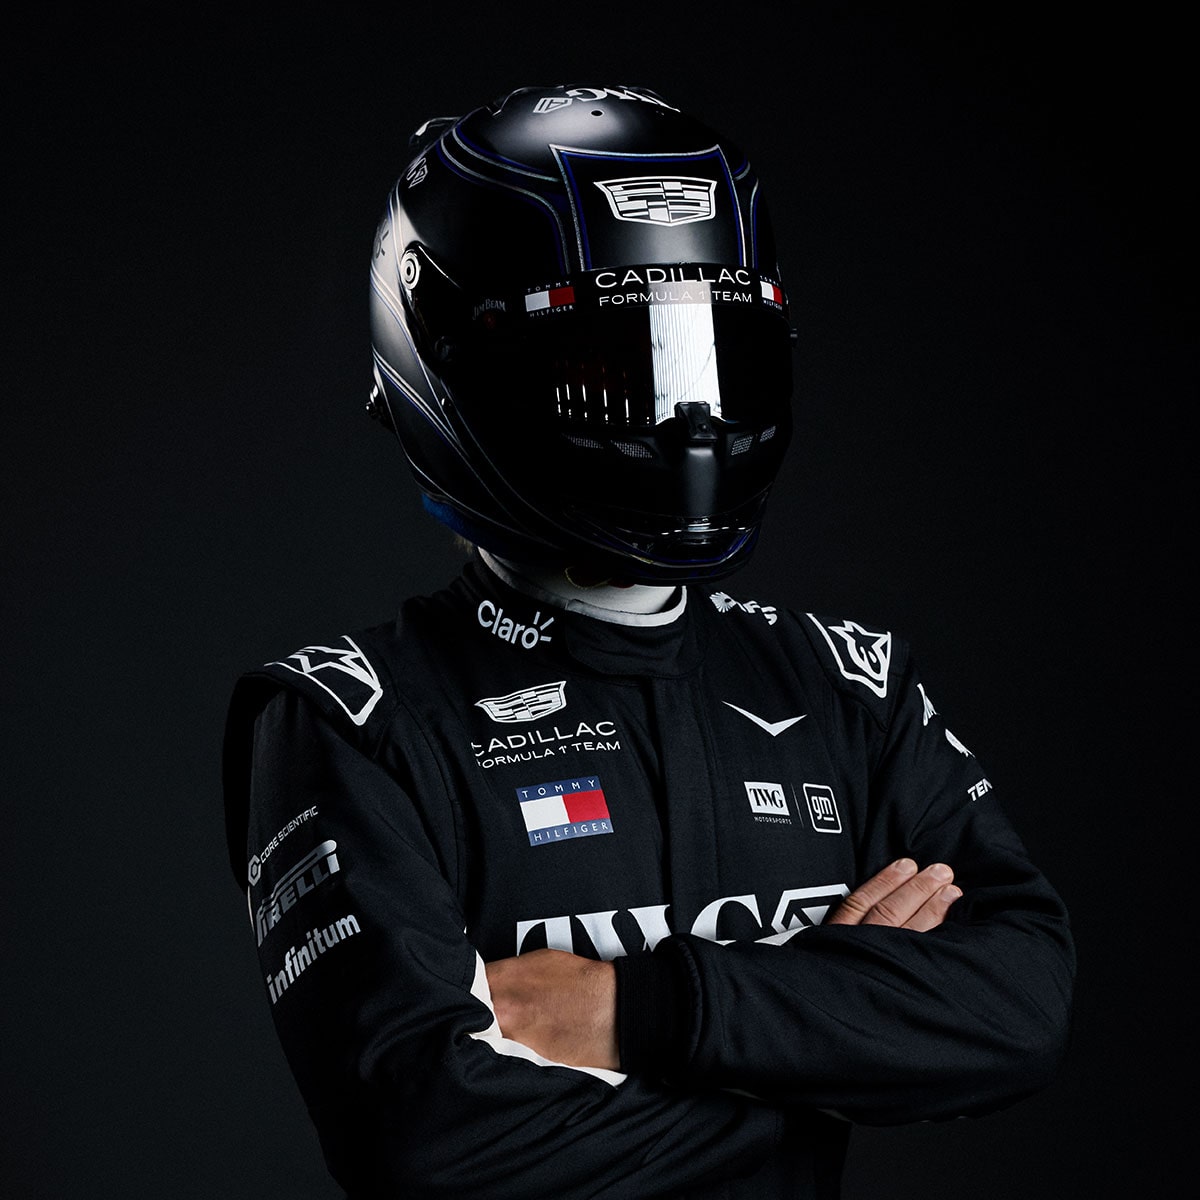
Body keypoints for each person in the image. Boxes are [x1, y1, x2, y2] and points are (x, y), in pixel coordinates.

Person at [222, 83, 1075, 1198]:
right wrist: (830, 1047)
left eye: (717, 352)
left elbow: (1022, 1005)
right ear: (456, 367)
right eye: (613, 375)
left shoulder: (845, 687)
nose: (690, 418)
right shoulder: (349, 722)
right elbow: (432, 1145)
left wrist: (636, 1012)